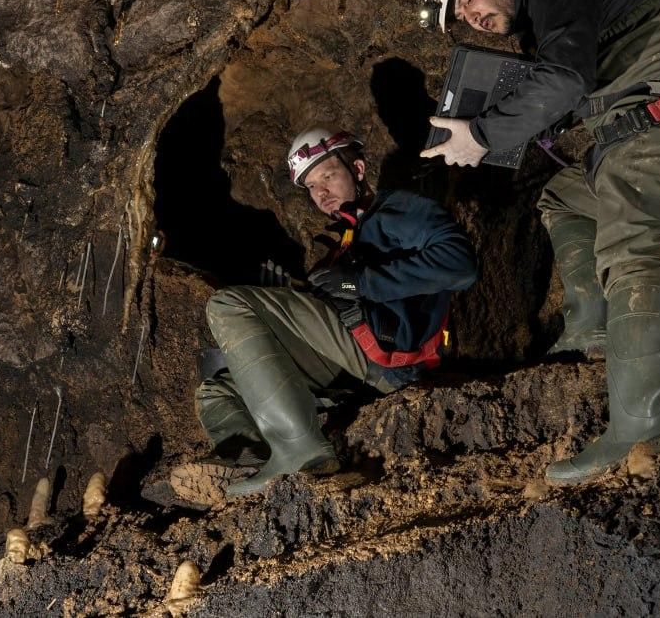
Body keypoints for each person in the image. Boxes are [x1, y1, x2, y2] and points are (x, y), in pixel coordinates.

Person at [414, 0, 660, 485]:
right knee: (566, 196)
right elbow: (575, 85)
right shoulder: (552, 2)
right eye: (459, 13)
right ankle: (594, 331)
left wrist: (483, 132)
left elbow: (568, 78)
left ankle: (646, 428)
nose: (470, 15)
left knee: (635, 249)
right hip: (655, 118)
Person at [169, 127, 477, 507]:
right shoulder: (344, 241)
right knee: (218, 388)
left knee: (229, 304)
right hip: (346, 357)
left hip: (384, 355)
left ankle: (300, 450)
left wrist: (359, 283)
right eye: (312, 187)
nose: (321, 193)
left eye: (328, 176)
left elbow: (460, 265)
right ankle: (248, 460)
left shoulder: (395, 210)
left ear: (358, 169)